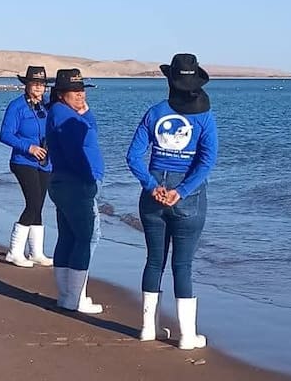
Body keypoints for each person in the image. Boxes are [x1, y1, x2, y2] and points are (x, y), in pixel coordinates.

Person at [126, 53, 218, 350]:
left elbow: (133, 157)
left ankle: (147, 328)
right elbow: (207, 160)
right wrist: (183, 190)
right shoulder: (204, 116)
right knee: (183, 265)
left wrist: (152, 186)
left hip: (153, 192)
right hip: (187, 196)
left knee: (154, 261)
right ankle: (187, 335)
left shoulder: (155, 112)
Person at [45, 68, 104, 314]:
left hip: (63, 182)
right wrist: (89, 179)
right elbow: (75, 153)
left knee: (69, 236)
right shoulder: (63, 117)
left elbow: (91, 131)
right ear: (61, 94)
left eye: (82, 90)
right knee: (87, 237)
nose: (80, 95)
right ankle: (75, 298)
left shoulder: (65, 113)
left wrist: (85, 111)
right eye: (74, 91)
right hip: (75, 184)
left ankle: (66, 296)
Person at [0, 66, 53, 267]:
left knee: (38, 205)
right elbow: (5, 135)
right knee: (33, 204)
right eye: (35, 83)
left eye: (42, 84)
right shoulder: (16, 106)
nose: (39, 87)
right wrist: (29, 147)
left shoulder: (48, 105)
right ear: (27, 85)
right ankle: (14, 252)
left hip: (45, 163)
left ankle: (36, 252)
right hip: (23, 161)